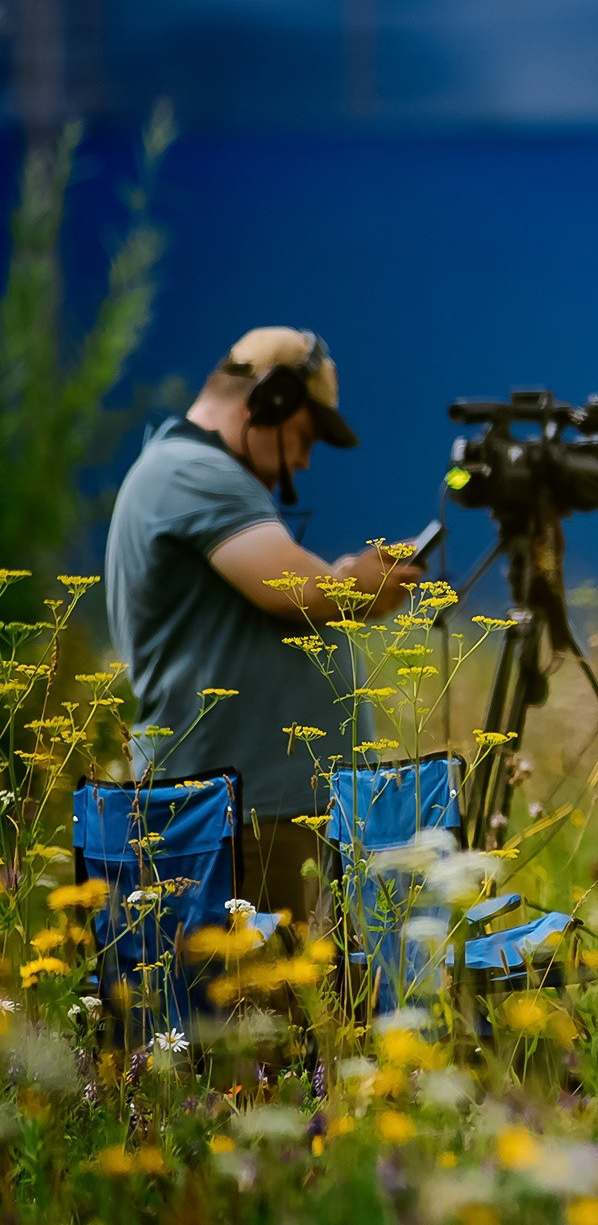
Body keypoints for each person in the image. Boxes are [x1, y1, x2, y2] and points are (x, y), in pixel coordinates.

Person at [105, 328, 421, 922]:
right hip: (247, 819)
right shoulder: (190, 472)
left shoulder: (189, 473)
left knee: (304, 1007)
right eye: (305, 435)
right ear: (271, 401)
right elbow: (299, 589)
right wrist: (363, 581)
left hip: (263, 811)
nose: (302, 460)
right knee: (265, 1010)